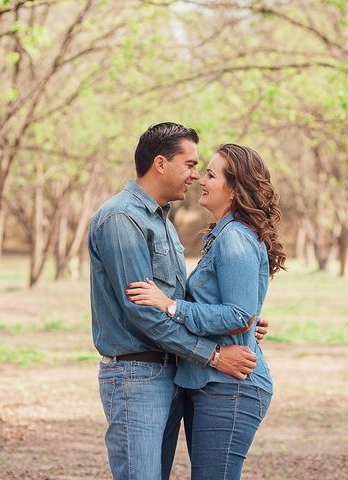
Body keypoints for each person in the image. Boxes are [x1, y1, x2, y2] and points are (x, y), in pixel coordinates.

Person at [88, 123, 267, 480]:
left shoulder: (164, 223)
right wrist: (214, 355)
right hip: (137, 375)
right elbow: (144, 314)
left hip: (173, 372)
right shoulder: (122, 219)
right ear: (160, 163)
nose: (196, 175)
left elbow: (178, 300)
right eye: (190, 164)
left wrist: (234, 321)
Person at [126, 143, 286, 479]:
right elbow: (240, 314)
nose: (201, 179)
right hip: (213, 384)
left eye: (211, 175)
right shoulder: (223, 235)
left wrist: (170, 305)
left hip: (232, 386)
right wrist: (245, 322)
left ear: (234, 189)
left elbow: (237, 314)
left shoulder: (235, 240)